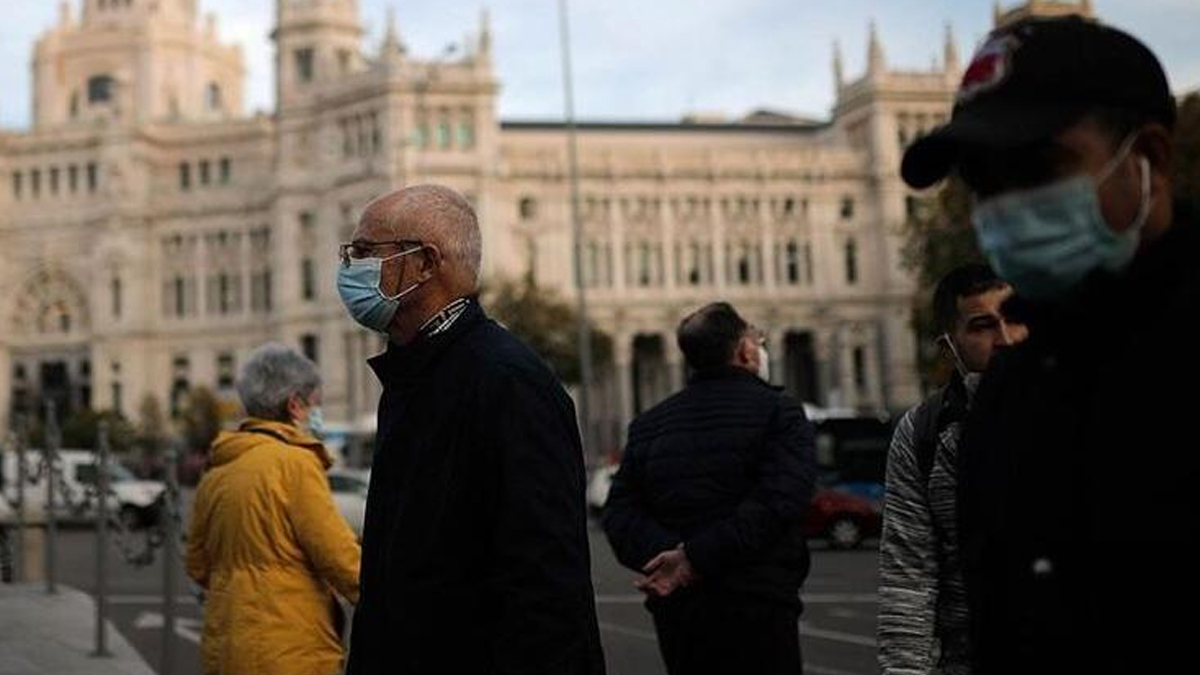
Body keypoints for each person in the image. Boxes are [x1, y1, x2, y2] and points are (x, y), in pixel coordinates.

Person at [900, 16, 1200, 674]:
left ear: (1149, 156)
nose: (1006, 205)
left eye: (1037, 167)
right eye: (984, 181)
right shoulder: (1008, 389)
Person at [338, 185, 604, 675]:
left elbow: (545, 582)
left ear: (424, 264)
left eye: (365, 252)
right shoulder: (416, 374)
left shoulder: (507, 382)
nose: (350, 268)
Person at [603, 302, 816, 675]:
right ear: (745, 350)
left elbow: (620, 515)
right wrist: (693, 559)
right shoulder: (779, 412)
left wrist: (671, 559)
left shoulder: (650, 424)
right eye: (756, 339)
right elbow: (779, 502)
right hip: (760, 604)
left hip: (680, 610)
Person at [878, 264, 1029, 675]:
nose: (1006, 338)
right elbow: (909, 581)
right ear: (950, 345)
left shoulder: (1079, 402)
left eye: (1017, 318)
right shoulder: (923, 433)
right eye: (982, 326)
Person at [186, 343, 360, 675]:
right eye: (315, 405)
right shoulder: (295, 463)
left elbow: (197, 565)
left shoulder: (217, 471)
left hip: (226, 648)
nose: (316, 415)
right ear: (295, 404)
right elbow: (338, 556)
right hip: (289, 649)